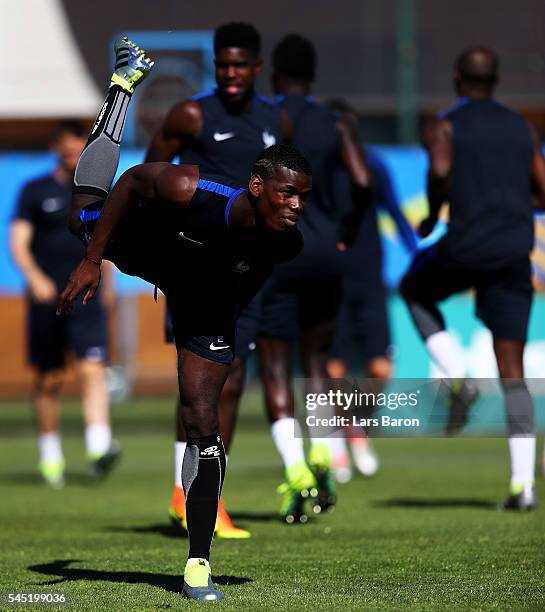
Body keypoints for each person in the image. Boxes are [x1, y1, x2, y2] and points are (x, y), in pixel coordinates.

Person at [57, 37, 311, 600]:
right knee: (83, 205)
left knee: (205, 423)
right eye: (289, 195)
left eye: (303, 198)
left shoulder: (284, 244)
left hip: (204, 295)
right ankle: (123, 87)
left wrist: (225, 314)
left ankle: (198, 562)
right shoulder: (188, 187)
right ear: (256, 187)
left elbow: (251, 278)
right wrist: (93, 259)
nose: (296, 207)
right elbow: (129, 182)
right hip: (143, 239)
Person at [145, 22, 288, 537]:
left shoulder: (275, 118)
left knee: (233, 383)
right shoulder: (191, 113)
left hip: (247, 274)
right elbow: (152, 172)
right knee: (196, 386)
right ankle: (186, 495)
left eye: (239, 65)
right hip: (195, 269)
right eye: (222, 64)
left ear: (256, 68)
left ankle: (204, 493)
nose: (230, 73)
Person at [400, 47, 545, 510]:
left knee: (414, 289)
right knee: (513, 374)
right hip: (511, 254)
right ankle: (523, 486)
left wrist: (436, 213)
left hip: (465, 246)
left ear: (458, 78)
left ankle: (457, 371)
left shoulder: (444, 124)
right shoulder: (522, 127)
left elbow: (441, 170)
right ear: (495, 79)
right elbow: (542, 188)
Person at [256, 34, 373, 521]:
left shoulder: (264, 116)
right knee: (319, 361)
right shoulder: (336, 122)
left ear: (273, 74)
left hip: (278, 251)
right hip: (326, 251)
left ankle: (297, 473)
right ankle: (324, 453)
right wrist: (347, 227)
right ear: (314, 75)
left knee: (276, 366)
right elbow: (363, 181)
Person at [10, 121, 118, 489]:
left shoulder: (95, 194)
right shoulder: (35, 190)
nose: (74, 154)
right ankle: (50, 455)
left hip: (86, 295)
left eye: (79, 148)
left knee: (92, 368)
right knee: (50, 379)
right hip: (48, 300)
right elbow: (18, 242)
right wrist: (34, 278)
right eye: (68, 148)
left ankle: (99, 447)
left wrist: (110, 282)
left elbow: (105, 242)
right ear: (58, 148)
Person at [323, 103, 417, 481]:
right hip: (329, 281)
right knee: (333, 370)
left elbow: (395, 212)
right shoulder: (319, 168)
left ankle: (356, 429)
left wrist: (418, 252)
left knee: (380, 369)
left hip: (369, 281)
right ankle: (335, 444)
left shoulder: (373, 165)